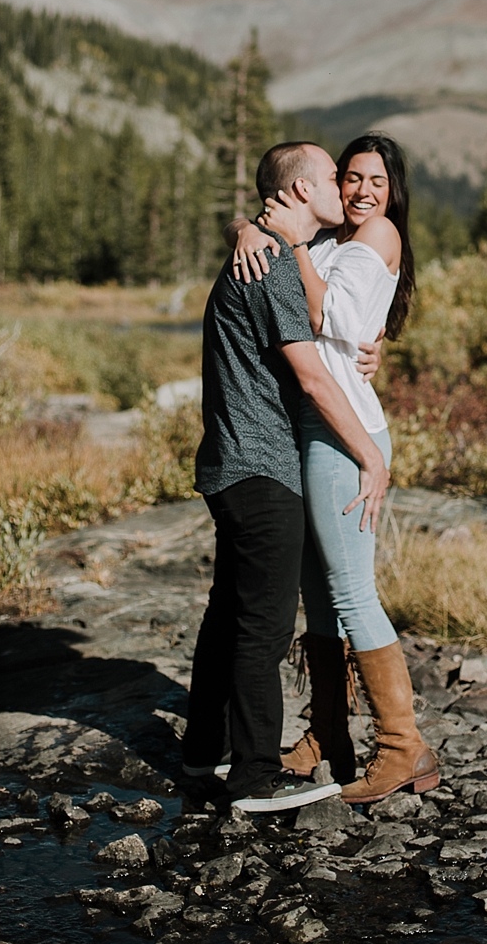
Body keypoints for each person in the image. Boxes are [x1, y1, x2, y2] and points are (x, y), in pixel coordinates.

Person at [181, 141, 392, 814]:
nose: (347, 191)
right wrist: (370, 457)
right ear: (303, 190)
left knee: (228, 613)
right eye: (335, 178)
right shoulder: (270, 261)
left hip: (232, 462)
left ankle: (200, 750)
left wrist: (245, 224)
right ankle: (251, 779)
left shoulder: (265, 249)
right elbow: (310, 375)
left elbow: (339, 321)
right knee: (264, 630)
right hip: (261, 467)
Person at [230, 133, 439, 804]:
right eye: (350, 178)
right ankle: (328, 733)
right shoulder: (331, 242)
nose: (361, 192)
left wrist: (287, 242)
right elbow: (274, 237)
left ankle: (402, 747)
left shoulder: (374, 234)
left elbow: (333, 315)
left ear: (392, 191)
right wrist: (246, 228)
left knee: (350, 591)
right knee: (319, 592)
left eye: (375, 181)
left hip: (345, 435)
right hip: (317, 428)